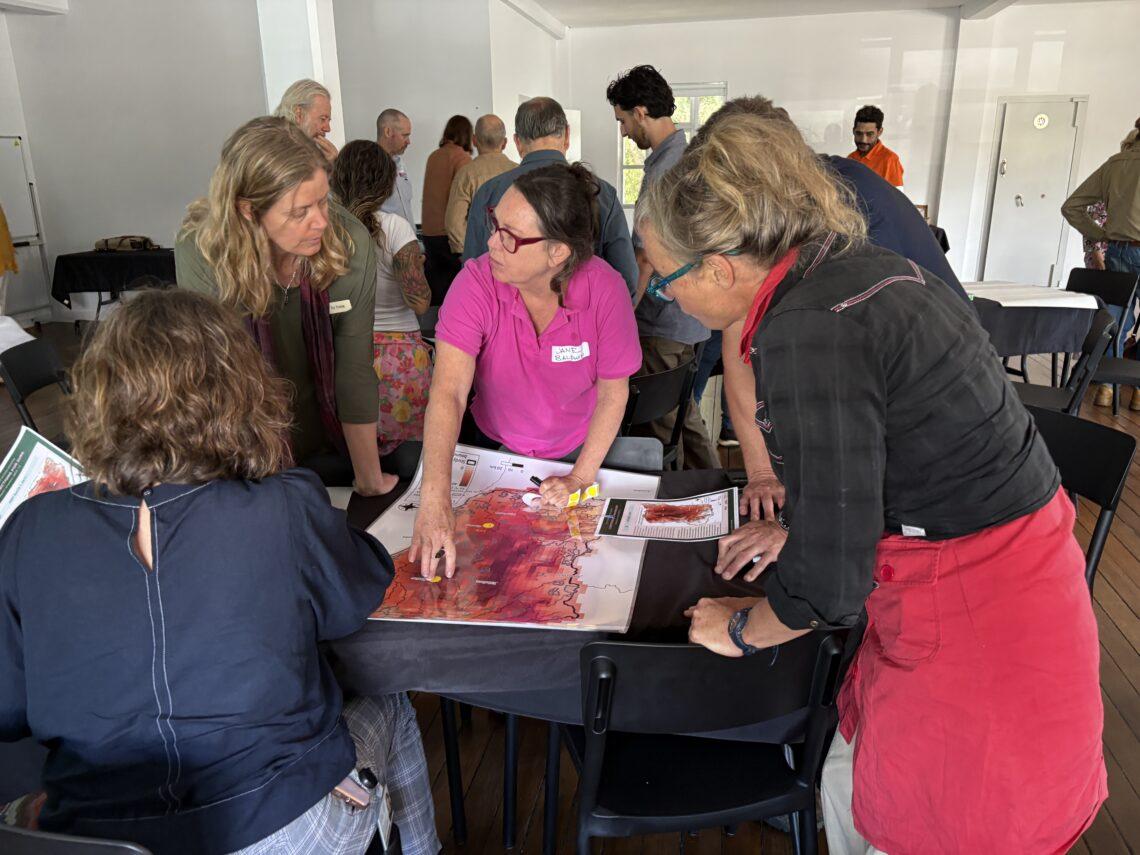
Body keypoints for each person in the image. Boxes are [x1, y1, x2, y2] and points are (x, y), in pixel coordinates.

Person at [638, 111, 1105, 855]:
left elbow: (828, 584)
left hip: (979, 622)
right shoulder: (834, 264)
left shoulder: (807, 326)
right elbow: (884, 454)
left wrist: (735, 628)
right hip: (996, 574)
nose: (661, 295)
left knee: (924, 821)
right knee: (857, 786)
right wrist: (802, 521)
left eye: (662, 278)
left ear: (720, 269)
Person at [0, 290, 439, 855]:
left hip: (92, 835)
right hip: (276, 824)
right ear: (239, 393)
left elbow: (10, 710)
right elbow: (360, 592)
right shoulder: (282, 506)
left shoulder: (31, 527)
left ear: (98, 398)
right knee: (390, 701)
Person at [694, 94, 971, 519]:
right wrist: (762, 475)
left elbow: (841, 430)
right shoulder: (790, 201)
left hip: (937, 451)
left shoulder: (837, 215)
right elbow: (739, 348)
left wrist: (794, 523)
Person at [414, 163, 641, 579]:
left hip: (580, 447)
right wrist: (433, 496)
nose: (491, 242)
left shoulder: (604, 291)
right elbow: (448, 392)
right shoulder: (477, 283)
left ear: (558, 252)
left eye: (510, 237)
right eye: (493, 224)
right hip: (495, 450)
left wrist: (580, 476)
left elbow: (614, 393)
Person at [176, 116, 398, 495]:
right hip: (242, 443)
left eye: (324, 201)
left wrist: (369, 480)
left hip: (325, 436)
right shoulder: (203, 252)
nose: (321, 223)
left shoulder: (351, 243)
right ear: (248, 210)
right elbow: (218, 383)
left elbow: (354, 369)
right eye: (300, 212)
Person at [607, 64, 719, 469]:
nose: (622, 132)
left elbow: (646, 255)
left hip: (664, 320)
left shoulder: (664, 168)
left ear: (640, 112)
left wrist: (624, 313)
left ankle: (670, 513)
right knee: (684, 417)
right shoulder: (689, 156)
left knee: (657, 426)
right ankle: (717, 489)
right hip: (691, 318)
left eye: (622, 121)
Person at [463, 97, 639, 299]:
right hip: (584, 319)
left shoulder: (489, 193)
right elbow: (627, 279)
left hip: (503, 321)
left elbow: (473, 275)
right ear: (567, 135)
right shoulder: (601, 193)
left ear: (517, 142)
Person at [332, 140, 433, 455]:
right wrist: (417, 265)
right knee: (408, 458)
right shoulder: (395, 228)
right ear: (385, 183)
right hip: (399, 357)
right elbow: (420, 301)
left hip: (347, 349)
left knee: (358, 451)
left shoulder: (326, 230)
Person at [1062, 118, 1140, 409]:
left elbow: (1071, 207)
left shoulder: (1115, 163)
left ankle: (1107, 388)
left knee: (1117, 321)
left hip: (1119, 249)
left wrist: (1103, 234)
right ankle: (1138, 393)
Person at [445, 114, 514, 259]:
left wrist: (470, 251)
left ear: (474, 140)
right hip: (513, 254)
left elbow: (454, 223)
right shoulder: (520, 172)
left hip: (478, 257)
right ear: (505, 142)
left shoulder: (466, 174)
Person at [421, 115, 473, 304]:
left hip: (428, 232)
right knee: (456, 290)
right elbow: (463, 201)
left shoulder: (434, 156)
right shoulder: (462, 158)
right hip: (449, 235)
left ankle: (435, 330)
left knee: (436, 289)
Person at [274, 77, 338, 161]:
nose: (327, 129)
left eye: (328, 120)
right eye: (322, 119)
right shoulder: (275, 157)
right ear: (299, 114)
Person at [377, 108, 415, 227]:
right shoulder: (368, 167)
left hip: (408, 241)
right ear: (388, 132)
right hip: (386, 243)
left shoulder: (400, 163)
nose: (409, 142)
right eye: (405, 136)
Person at [849, 104, 904, 188]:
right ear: (853, 131)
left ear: (879, 132)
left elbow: (897, 199)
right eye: (859, 133)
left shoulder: (890, 160)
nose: (863, 140)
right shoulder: (850, 158)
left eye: (869, 134)